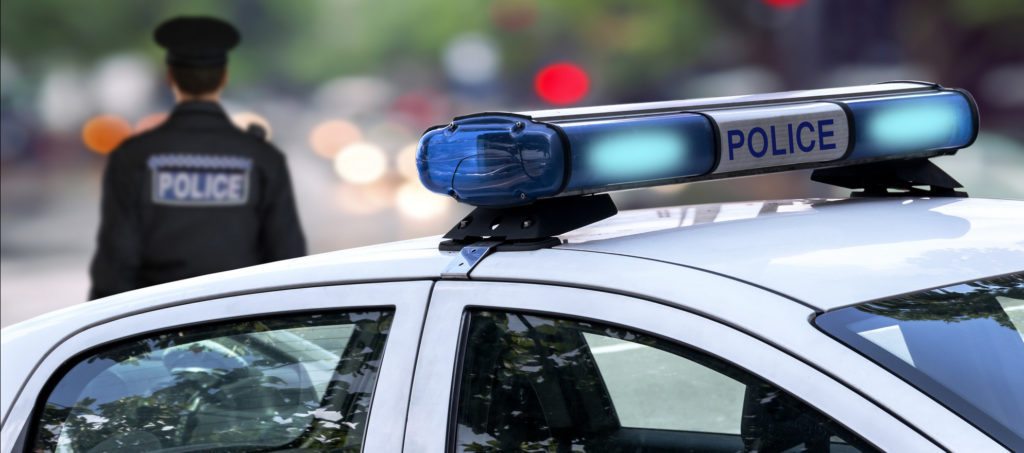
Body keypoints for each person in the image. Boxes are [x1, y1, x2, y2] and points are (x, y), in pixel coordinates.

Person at [89, 16, 306, 300]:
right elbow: (288, 260)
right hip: (240, 324)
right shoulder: (263, 159)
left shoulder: (132, 157)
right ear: (224, 77)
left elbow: (115, 263)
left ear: (170, 77)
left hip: (155, 325)